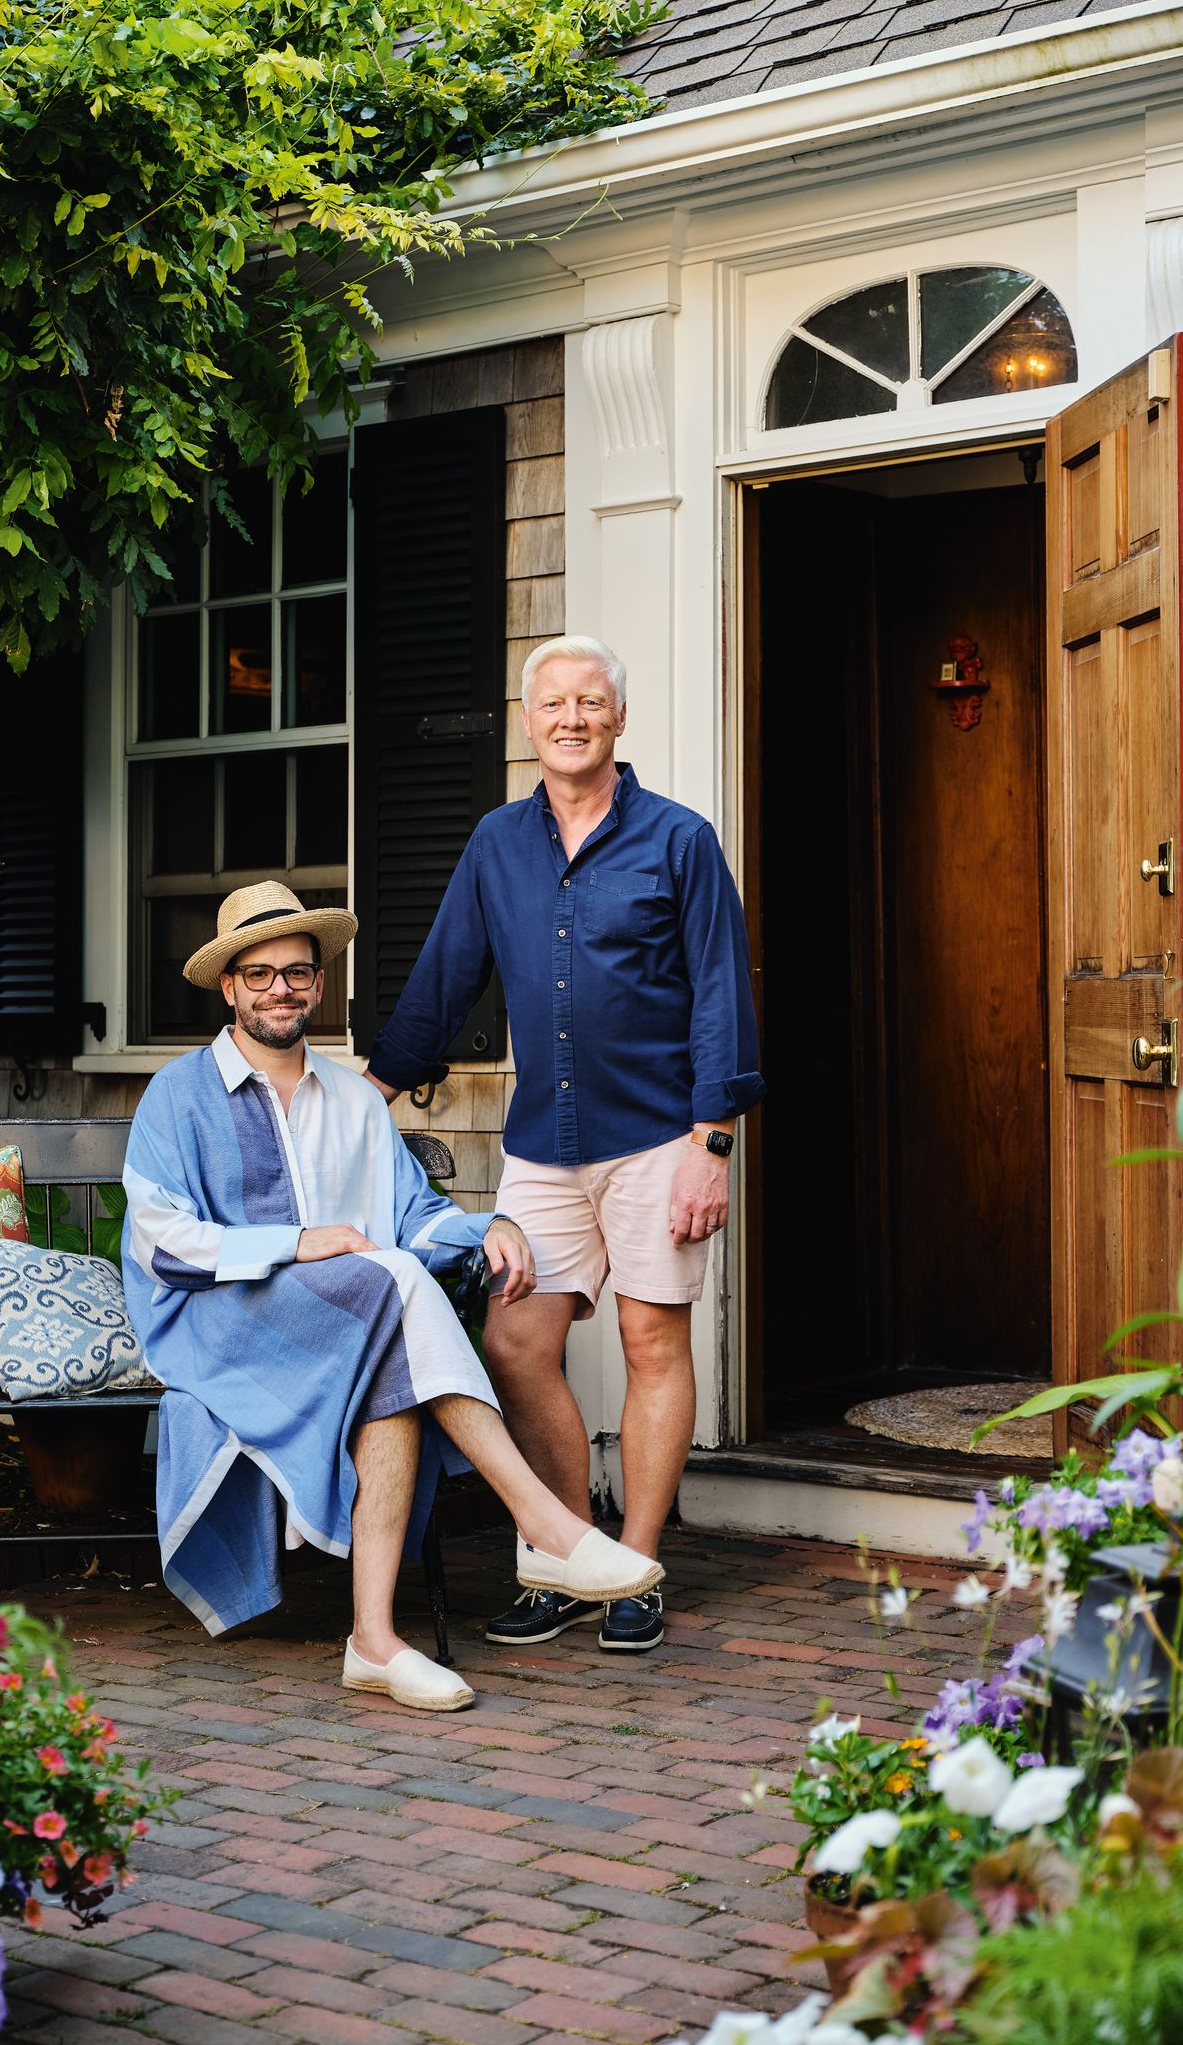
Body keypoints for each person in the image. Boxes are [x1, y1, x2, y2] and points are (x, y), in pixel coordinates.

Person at [120, 879, 664, 1713]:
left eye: (297, 973)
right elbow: (160, 1240)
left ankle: (373, 1641)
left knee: (392, 1363)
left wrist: (489, 1229)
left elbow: (413, 1215)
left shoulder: (350, 1098)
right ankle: (548, 1527)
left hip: (349, 1321)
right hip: (220, 1324)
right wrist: (297, 1244)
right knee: (396, 1287)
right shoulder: (178, 1093)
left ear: (319, 982)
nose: (281, 990)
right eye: (259, 974)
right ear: (228, 986)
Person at [366, 636, 764, 1656]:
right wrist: (373, 1089)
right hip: (543, 1142)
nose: (572, 718)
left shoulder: (679, 840)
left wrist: (709, 1142)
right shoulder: (497, 843)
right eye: (554, 704)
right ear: (527, 719)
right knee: (513, 1342)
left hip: (656, 1136)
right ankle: (563, 1545)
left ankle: (633, 1569)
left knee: (648, 1343)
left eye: (591, 702)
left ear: (618, 720)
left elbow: (721, 989)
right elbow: (447, 972)